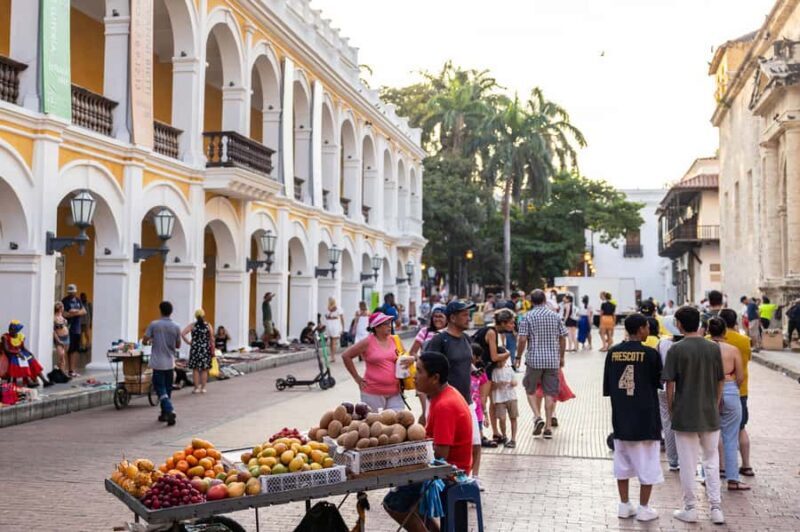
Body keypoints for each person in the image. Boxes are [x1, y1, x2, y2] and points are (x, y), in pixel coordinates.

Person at [383, 353, 472, 532]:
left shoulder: (444, 405)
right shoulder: (445, 394)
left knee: (394, 503)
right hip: (447, 469)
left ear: (435, 378)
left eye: (420, 371)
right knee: (408, 502)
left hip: (450, 475)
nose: (414, 376)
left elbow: (441, 454)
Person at [663, 306, 725, 524]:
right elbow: (720, 379)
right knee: (711, 460)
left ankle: (690, 507)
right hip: (709, 412)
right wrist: (715, 403)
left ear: (679, 324)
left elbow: (669, 384)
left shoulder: (676, 349)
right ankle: (716, 508)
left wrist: (671, 409)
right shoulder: (713, 348)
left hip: (684, 412)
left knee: (687, 463)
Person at [603, 314, 663, 522]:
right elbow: (658, 382)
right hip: (646, 417)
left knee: (622, 463)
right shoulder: (650, 354)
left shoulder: (613, 353)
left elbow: (608, 388)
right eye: (647, 327)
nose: (648, 330)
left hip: (621, 416)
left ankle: (624, 504)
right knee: (648, 463)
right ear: (640, 329)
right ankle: (644, 507)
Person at [425, 300, 483, 486]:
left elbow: (466, 361)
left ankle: (472, 478)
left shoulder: (466, 339)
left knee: (475, 442)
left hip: (466, 401)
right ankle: (442, 480)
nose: (468, 318)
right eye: (464, 314)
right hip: (445, 403)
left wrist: (474, 370)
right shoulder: (439, 340)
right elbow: (427, 365)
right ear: (452, 317)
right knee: (443, 445)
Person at [516, 289, 567, 439]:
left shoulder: (528, 317)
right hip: (552, 360)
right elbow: (563, 337)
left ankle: (537, 417)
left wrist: (518, 356)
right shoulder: (555, 316)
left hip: (534, 360)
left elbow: (522, 339)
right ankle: (548, 427)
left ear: (531, 301)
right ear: (545, 300)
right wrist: (561, 356)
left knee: (530, 389)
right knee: (550, 393)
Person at [707, 317, 748, 491]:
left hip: (709, 391)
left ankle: (708, 477)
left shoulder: (705, 349)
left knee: (708, 438)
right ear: (725, 331)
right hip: (731, 389)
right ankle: (733, 479)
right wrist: (732, 387)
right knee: (731, 437)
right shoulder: (733, 350)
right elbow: (740, 376)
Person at [342, 312, 404, 412]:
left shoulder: (395, 340)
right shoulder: (368, 342)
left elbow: (404, 357)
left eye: (389, 323)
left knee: (397, 422)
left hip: (395, 391)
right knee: (376, 424)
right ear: (376, 327)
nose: (389, 326)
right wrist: (357, 379)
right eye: (386, 324)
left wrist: (409, 360)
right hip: (373, 392)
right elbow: (346, 356)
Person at [719, 308, 755, 478]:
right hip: (740, 389)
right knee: (740, 428)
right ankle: (746, 465)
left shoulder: (711, 341)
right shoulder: (744, 340)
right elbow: (747, 360)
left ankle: (722, 466)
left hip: (716, 389)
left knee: (718, 430)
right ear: (735, 322)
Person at [472, 308, 514, 443]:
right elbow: (494, 356)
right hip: (483, 370)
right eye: (510, 323)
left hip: (479, 368)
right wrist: (507, 354)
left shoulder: (488, 329)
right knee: (483, 401)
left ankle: (494, 433)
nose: (512, 326)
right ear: (502, 322)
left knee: (488, 402)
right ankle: (481, 433)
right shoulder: (491, 332)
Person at [143, 301, 182, 426]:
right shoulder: (176, 326)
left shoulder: (154, 325)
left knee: (160, 388)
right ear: (171, 311)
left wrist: (152, 341)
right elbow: (178, 345)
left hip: (158, 362)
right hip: (170, 362)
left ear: (160, 310)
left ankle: (169, 409)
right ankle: (164, 413)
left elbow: (144, 340)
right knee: (167, 389)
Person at [656, 316, 683, 472]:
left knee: (667, 422)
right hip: (685, 389)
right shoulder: (689, 345)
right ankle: (687, 458)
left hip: (665, 387)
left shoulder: (663, 343)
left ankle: (673, 460)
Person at [0, 320, 49, 387]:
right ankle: (28, 381)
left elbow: (23, 348)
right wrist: (17, 352)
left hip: (20, 353)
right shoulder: (5, 337)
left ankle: (44, 380)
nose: (10, 330)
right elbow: (6, 350)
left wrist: (30, 353)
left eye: (12, 329)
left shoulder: (20, 336)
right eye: (10, 328)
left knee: (32, 361)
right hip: (11, 354)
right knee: (22, 361)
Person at [181, 310, 214, 394]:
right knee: (204, 369)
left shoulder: (193, 325)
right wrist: (212, 349)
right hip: (205, 349)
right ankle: (203, 388)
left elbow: (183, 333)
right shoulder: (208, 325)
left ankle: (196, 388)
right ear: (204, 316)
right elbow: (212, 338)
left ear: (196, 317)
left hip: (195, 349)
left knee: (195, 369)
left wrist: (189, 342)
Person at [491, 351, 519, 448]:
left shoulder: (509, 369)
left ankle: (513, 439)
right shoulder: (494, 371)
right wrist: (499, 384)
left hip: (511, 397)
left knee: (513, 417)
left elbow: (515, 381)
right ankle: (504, 435)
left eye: (502, 361)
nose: (500, 363)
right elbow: (492, 386)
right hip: (499, 398)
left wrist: (512, 383)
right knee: (502, 418)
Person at [470, 343, 494, 450]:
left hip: (477, 410)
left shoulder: (481, 374)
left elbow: (483, 397)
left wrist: (486, 415)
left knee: (476, 442)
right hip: (463, 408)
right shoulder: (459, 370)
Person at [61, 284, 86, 377]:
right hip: (68, 328)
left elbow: (84, 311)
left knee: (75, 350)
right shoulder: (65, 301)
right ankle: (66, 369)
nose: (72, 294)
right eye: (70, 292)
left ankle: (72, 370)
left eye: (73, 292)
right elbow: (64, 314)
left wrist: (74, 312)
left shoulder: (78, 300)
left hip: (77, 329)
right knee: (68, 350)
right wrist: (76, 313)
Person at [324, 298, 345, 362]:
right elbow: (342, 318)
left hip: (329, 324)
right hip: (335, 324)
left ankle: (331, 356)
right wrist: (343, 327)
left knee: (331, 341)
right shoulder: (338, 308)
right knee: (334, 341)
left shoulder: (328, 308)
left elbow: (326, 316)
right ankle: (333, 356)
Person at [53, 301, 70, 372]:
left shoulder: (62, 316)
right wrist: (58, 340)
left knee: (63, 356)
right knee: (61, 355)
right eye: (62, 307)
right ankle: (58, 369)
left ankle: (62, 371)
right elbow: (53, 331)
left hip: (66, 337)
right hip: (59, 338)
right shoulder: (54, 318)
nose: (63, 308)